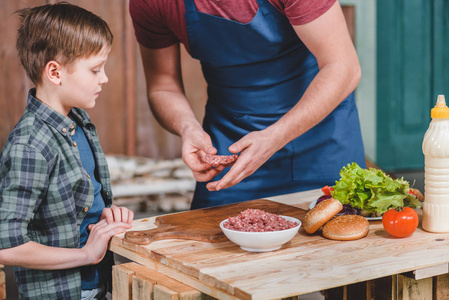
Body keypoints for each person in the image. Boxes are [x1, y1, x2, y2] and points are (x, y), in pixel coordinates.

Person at [129, 0, 366, 209]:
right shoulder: (151, 3)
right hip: (231, 149)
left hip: (322, 142)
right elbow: (163, 86)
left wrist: (274, 137)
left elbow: (343, 67)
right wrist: (187, 127)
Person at [0, 3, 134, 299]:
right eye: (95, 69)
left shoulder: (78, 122)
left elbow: (80, 210)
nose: (105, 78)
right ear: (55, 72)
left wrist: (109, 218)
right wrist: (87, 255)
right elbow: (6, 247)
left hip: (98, 286)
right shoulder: (30, 145)